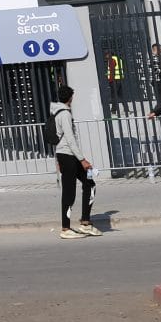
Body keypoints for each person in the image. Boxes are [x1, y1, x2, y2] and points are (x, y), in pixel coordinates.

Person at [50, 85, 100, 239]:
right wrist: (83, 159)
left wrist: (58, 158)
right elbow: (70, 139)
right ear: (70, 98)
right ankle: (65, 228)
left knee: (90, 182)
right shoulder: (64, 113)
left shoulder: (57, 112)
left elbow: (57, 138)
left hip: (65, 155)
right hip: (69, 156)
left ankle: (85, 222)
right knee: (69, 193)